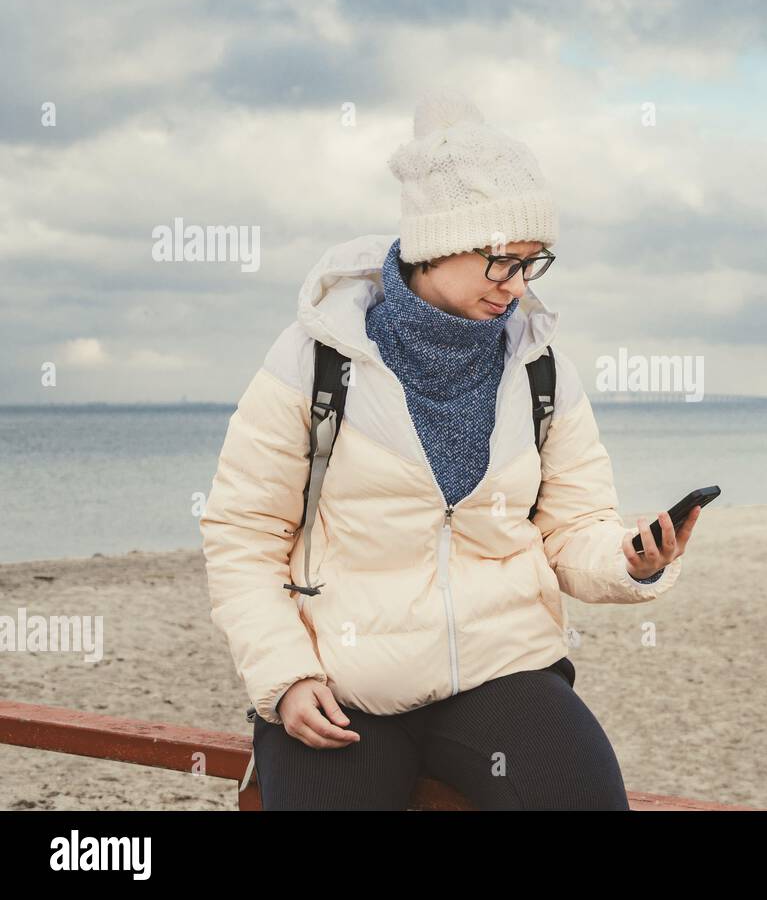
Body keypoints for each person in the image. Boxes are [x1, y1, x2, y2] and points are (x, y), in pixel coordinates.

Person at [199, 87, 702, 809]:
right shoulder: (316, 361)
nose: (518, 285)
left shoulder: (541, 365)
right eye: (502, 261)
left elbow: (572, 529)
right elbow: (243, 535)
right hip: (344, 684)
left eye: (534, 262)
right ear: (435, 244)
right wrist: (286, 677)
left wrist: (631, 560)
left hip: (504, 674)